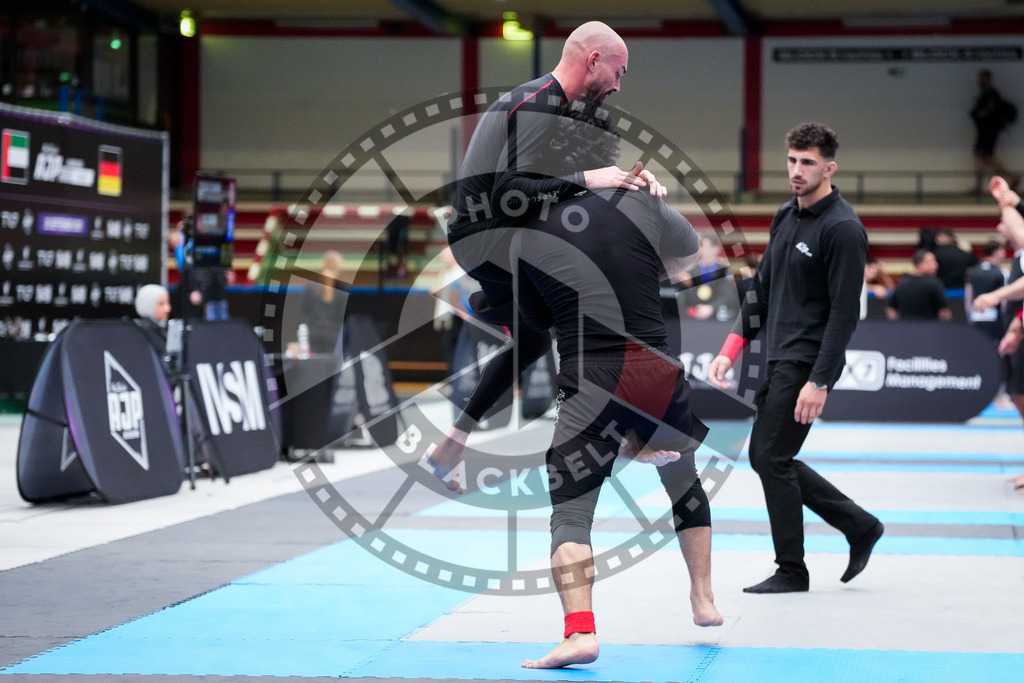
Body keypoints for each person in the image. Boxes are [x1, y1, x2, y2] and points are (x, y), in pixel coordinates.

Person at [509, 107, 720, 670]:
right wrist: (650, 212)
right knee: (683, 475)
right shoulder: (645, 198)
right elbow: (689, 253)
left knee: (571, 510)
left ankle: (580, 632)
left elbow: (529, 316)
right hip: (655, 365)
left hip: (593, 372)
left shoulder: (530, 224)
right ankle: (702, 598)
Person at [430, 20, 667, 489]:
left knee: (533, 338)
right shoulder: (538, 103)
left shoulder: (559, 106)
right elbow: (510, 193)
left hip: (501, 232)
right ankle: (621, 429)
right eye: (617, 72)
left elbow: (551, 183)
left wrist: (633, 186)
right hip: (486, 233)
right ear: (593, 60)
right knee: (588, 296)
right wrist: (591, 180)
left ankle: (450, 445)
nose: (618, 86)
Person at [707, 122, 884, 594]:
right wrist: (731, 349)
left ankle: (793, 569)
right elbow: (761, 293)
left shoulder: (843, 229)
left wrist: (820, 380)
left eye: (807, 163)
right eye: (792, 161)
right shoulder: (786, 215)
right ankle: (859, 525)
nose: (797, 171)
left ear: (829, 167)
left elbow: (845, 314)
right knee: (772, 457)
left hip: (808, 361)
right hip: (777, 355)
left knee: (769, 456)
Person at [970, 69, 1017, 195]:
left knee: (985, 156)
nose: (980, 81)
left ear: (988, 79)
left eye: (983, 78)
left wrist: (982, 114)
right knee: (981, 156)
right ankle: (979, 186)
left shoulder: (991, 93)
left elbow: (989, 109)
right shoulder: (984, 93)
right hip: (984, 131)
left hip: (988, 131)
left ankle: (1011, 176)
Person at [678, 230, 735, 321]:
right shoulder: (691, 271)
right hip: (695, 317)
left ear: (717, 248)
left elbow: (726, 295)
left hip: (717, 317)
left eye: (711, 247)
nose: (707, 251)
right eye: (704, 247)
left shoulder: (724, 270)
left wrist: (711, 308)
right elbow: (685, 297)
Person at [300, 250, 348, 354]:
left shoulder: (309, 287)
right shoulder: (342, 291)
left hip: (315, 332)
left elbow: (304, 311)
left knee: (317, 364)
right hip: (331, 334)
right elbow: (343, 316)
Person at [886, 250, 953, 321]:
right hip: (929, 328)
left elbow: (891, 310)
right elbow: (944, 312)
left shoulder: (902, 282)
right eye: (931, 261)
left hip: (906, 328)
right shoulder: (934, 283)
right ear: (920, 264)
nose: (936, 265)